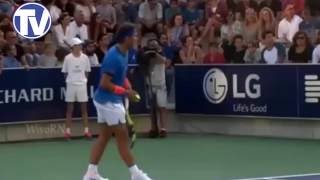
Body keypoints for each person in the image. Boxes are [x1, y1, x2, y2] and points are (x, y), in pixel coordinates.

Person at [83, 24, 153, 180]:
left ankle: (91, 173)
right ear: (127, 38)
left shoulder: (125, 52)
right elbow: (104, 83)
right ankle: (136, 175)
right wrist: (126, 93)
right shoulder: (113, 57)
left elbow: (121, 77)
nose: (136, 39)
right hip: (108, 103)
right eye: (134, 36)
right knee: (123, 139)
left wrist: (128, 87)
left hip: (105, 101)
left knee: (104, 137)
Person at [61, 37, 92, 139]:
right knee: (70, 109)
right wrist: (70, 81)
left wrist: (84, 80)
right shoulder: (67, 58)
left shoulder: (85, 58)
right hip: (71, 85)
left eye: (81, 45)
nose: (80, 47)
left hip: (82, 85)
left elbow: (87, 71)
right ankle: (67, 132)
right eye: (78, 45)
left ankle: (86, 131)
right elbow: (65, 72)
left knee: (84, 108)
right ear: (74, 47)